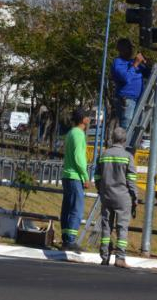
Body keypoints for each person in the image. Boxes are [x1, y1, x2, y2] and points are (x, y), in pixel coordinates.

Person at [94, 127, 138, 268]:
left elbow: (97, 176)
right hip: (122, 198)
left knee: (106, 227)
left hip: (106, 196)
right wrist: (135, 197)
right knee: (122, 228)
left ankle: (104, 256)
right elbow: (131, 181)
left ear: (112, 139)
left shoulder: (103, 155)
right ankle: (120, 258)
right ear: (124, 140)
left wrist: (101, 190)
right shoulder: (128, 157)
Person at [60, 107, 90, 252]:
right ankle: (71, 241)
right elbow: (79, 158)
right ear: (83, 119)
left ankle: (65, 238)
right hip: (75, 176)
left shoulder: (70, 133)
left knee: (67, 208)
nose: (89, 119)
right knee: (76, 209)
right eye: (88, 117)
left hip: (67, 175)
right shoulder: (79, 134)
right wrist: (85, 176)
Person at [112, 38, 148, 130]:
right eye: (128, 48)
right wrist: (135, 65)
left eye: (131, 48)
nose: (131, 50)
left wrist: (146, 63)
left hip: (138, 100)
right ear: (121, 49)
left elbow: (148, 73)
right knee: (127, 128)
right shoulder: (118, 62)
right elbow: (126, 78)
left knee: (136, 129)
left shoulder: (132, 62)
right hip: (127, 100)